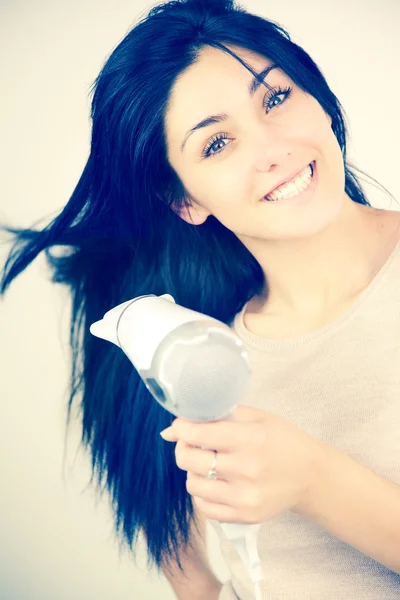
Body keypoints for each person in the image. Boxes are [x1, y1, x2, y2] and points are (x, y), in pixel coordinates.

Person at [1, 0, 400, 598]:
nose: (272, 147)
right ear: (185, 200)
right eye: (216, 144)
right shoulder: (202, 366)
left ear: (317, 95)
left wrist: (314, 480)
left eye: (275, 98)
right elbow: (201, 585)